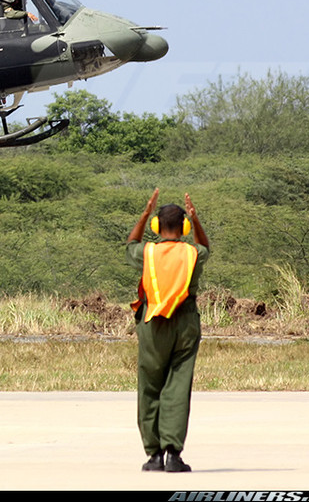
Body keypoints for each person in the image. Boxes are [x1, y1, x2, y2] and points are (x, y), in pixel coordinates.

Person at [127, 188, 210, 473]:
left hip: (152, 323)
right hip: (185, 322)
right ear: (185, 228)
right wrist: (196, 220)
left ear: (156, 226)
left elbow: (131, 243)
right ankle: (174, 455)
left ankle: (153, 456)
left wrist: (144, 212)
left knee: (150, 387)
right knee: (178, 386)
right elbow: (205, 247)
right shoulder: (193, 253)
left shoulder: (146, 253)